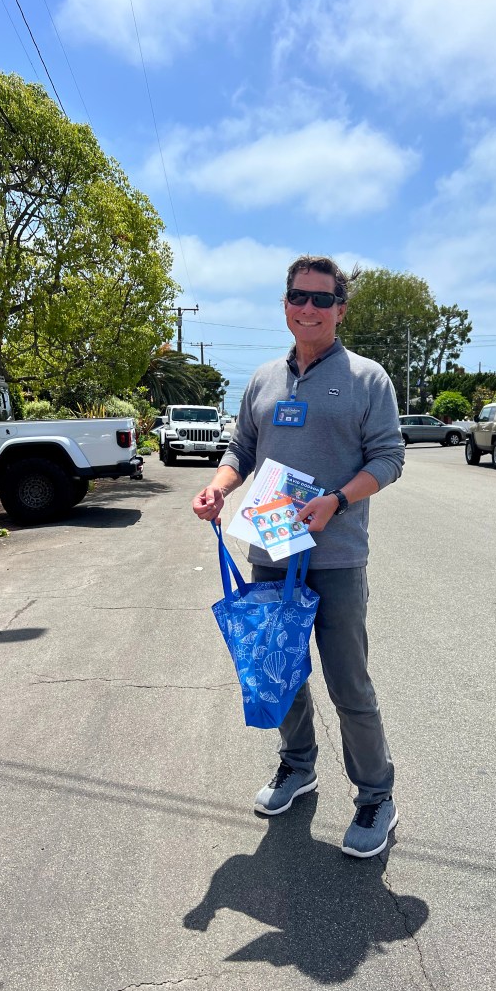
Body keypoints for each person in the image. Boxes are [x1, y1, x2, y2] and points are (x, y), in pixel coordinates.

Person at [192, 254, 404, 859]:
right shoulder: (263, 379)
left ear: (340, 309)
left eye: (321, 299)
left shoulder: (367, 379)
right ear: (285, 305)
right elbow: (241, 449)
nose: (309, 308)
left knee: (348, 683)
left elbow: (389, 458)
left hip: (336, 559)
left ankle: (376, 796)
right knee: (278, 672)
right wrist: (219, 487)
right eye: (298, 297)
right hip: (272, 553)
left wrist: (338, 500)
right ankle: (298, 764)